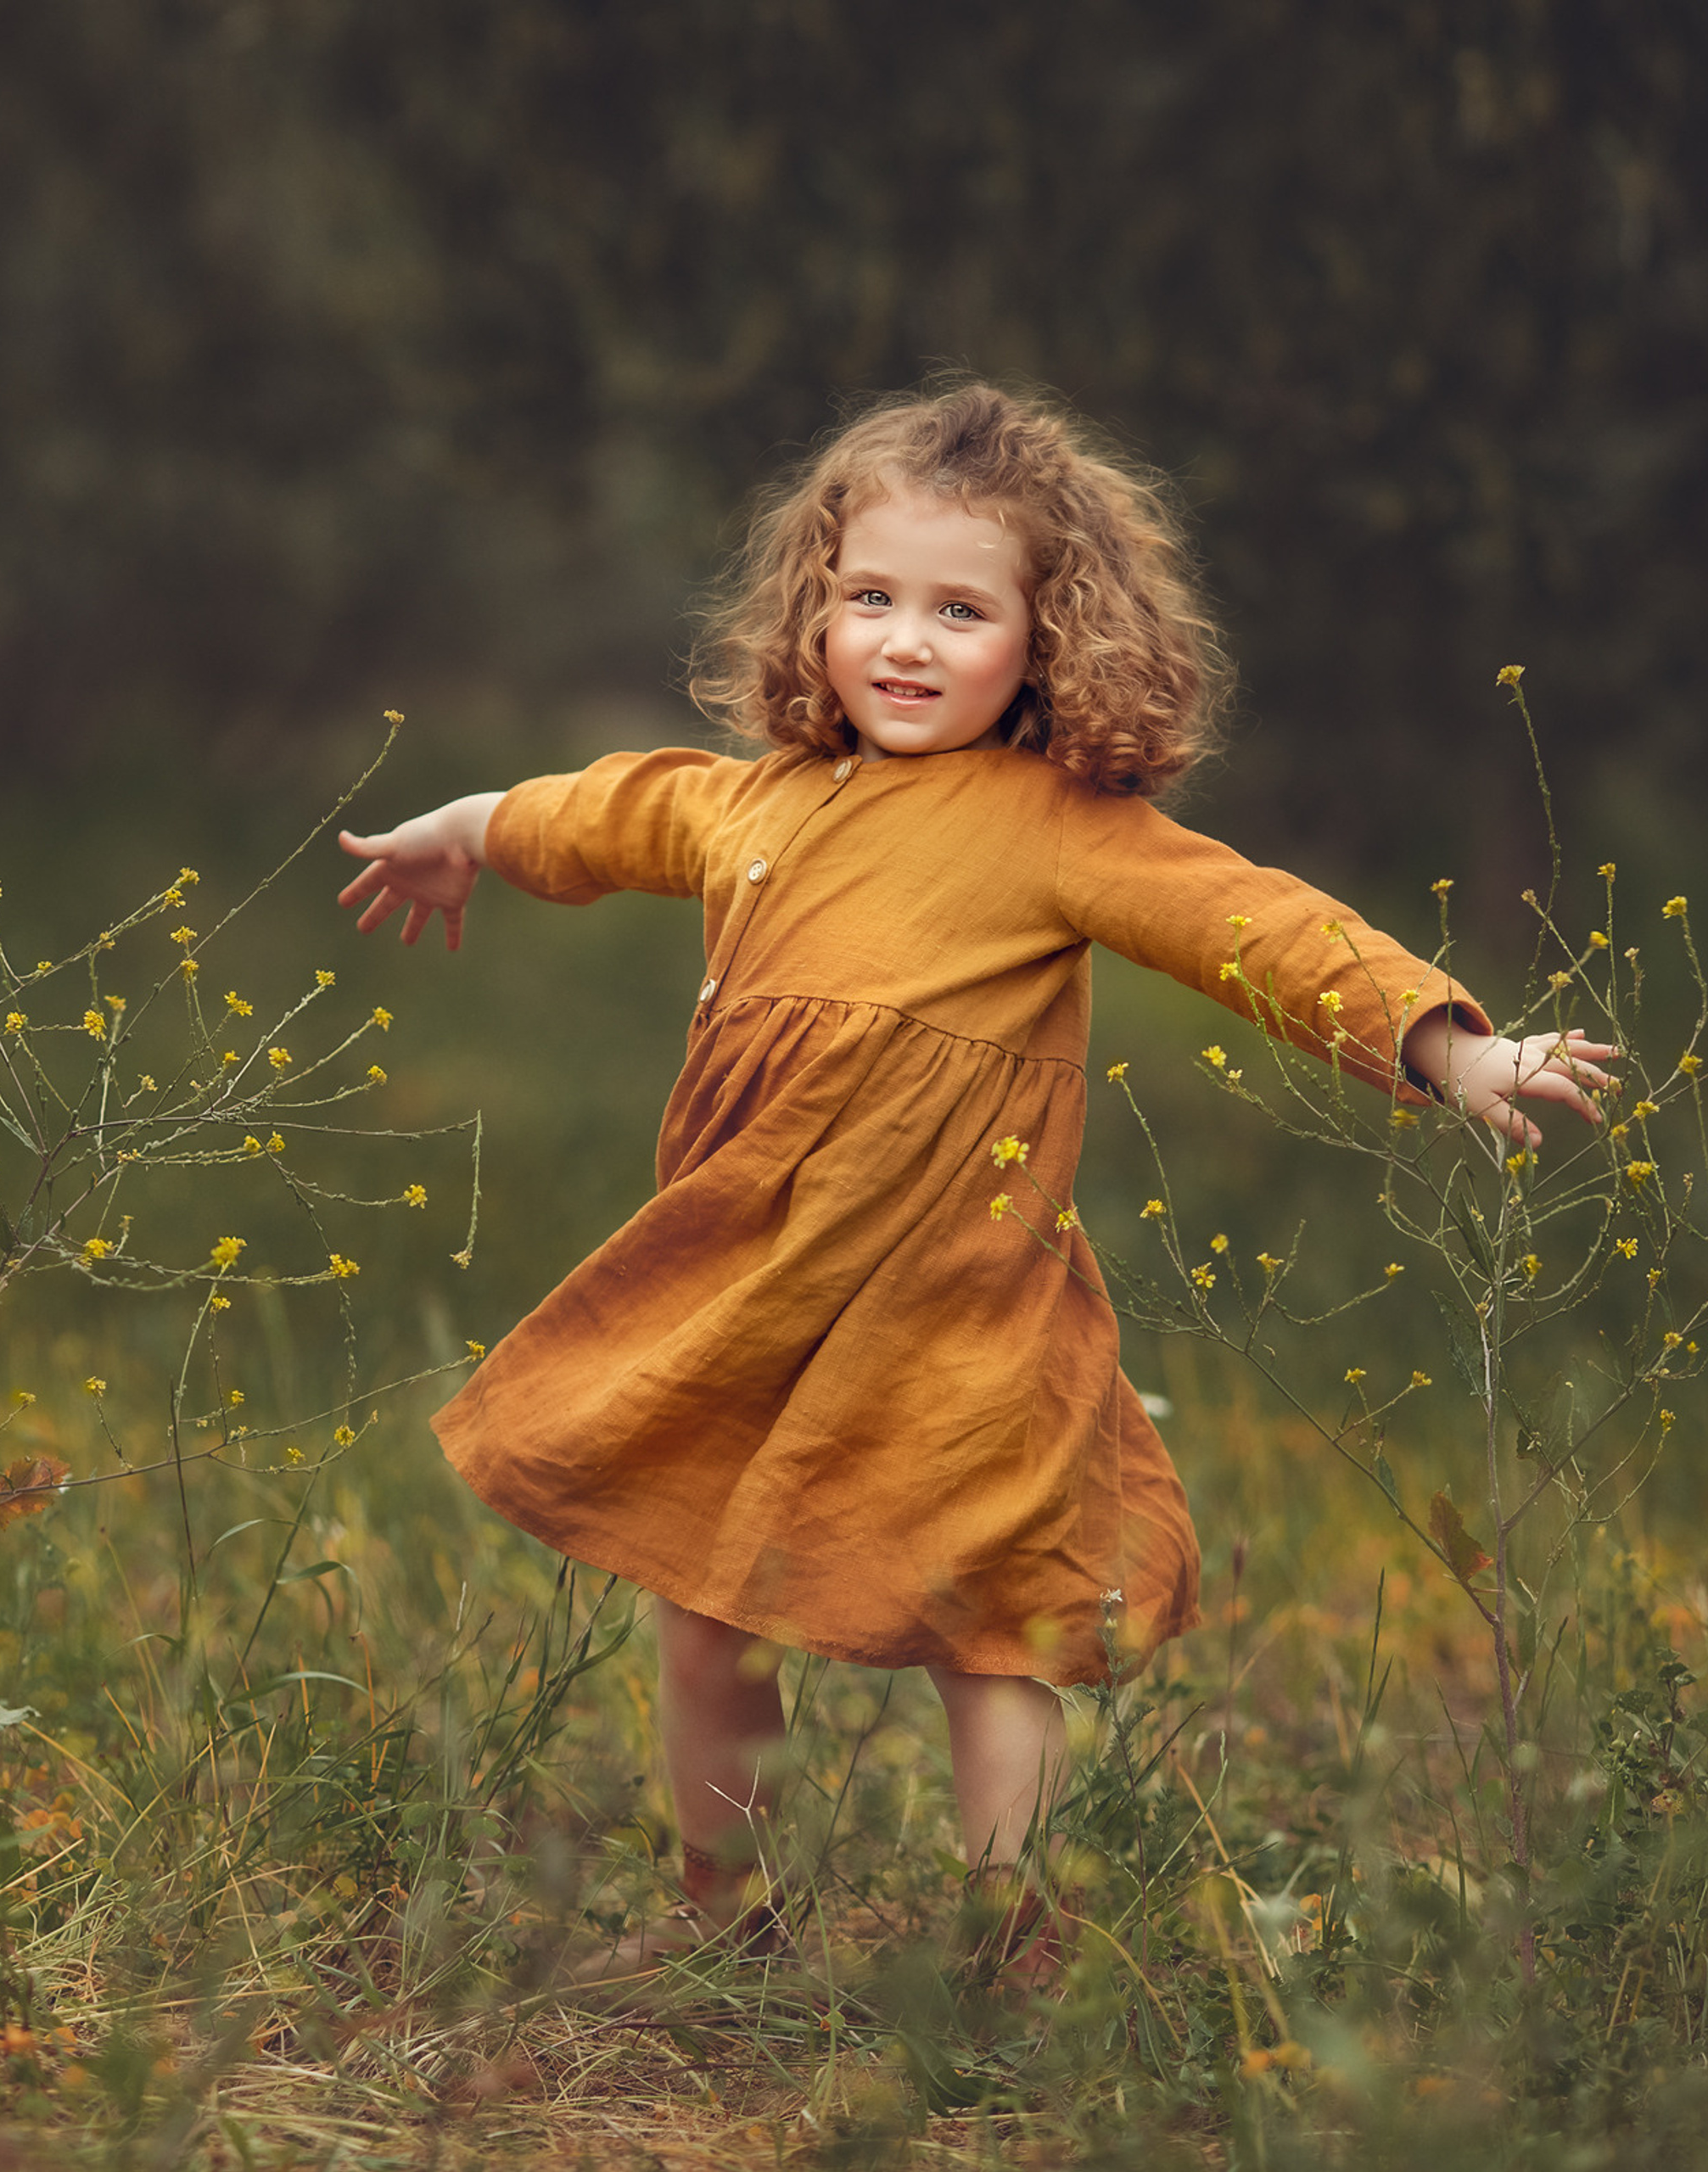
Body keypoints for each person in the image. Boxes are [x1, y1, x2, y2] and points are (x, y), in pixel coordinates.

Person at [333, 382, 1612, 1981]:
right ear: (815, 610)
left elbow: (1257, 926)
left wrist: (1449, 1050)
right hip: (754, 1285)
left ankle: (1011, 1940)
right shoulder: (759, 798)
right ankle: (725, 1916)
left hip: (959, 1296)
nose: (906, 643)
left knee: (991, 1623)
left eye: (961, 609)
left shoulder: (1054, 826)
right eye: (869, 599)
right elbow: (603, 812)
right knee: (697, 1596)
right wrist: (464, 827)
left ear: (1048, 638)